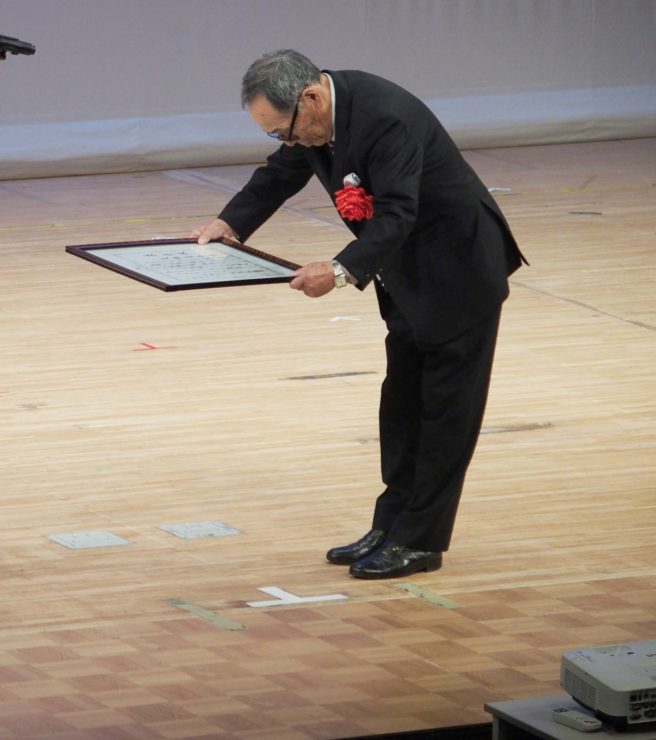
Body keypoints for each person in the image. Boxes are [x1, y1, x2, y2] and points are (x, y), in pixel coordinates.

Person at [193, 49, 525, 579]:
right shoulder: (315, 124)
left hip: (458, 272)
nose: (286, 142)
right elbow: (281, 173)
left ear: (310, 97)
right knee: (401, 409)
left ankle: (420, 541)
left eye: (283, 131)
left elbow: (397, 212)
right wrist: (229, 224)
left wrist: (340, 270)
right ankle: (390, 525)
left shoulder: (385, 118)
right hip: (406, 276)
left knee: (445, 415)